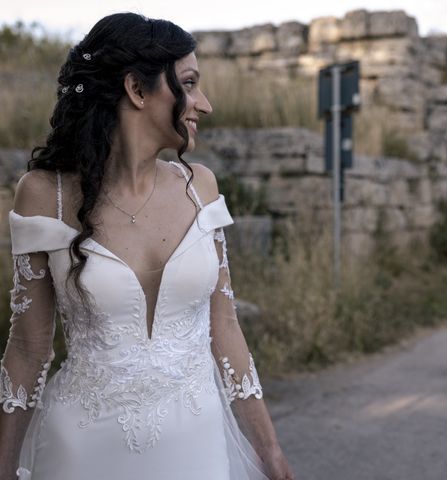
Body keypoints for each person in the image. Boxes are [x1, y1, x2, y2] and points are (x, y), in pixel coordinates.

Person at [0, 12, 293, 480]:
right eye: (190, 83)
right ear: (137, 90)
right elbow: (28, 347)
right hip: (82, 452)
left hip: (197, 447)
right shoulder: (45, 196)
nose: (205, 103)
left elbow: (225, 326)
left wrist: (270, 448)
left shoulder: (202, 189)